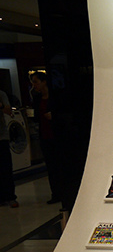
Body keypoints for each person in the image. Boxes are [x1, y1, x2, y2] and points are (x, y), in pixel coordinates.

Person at [30, 72, 63, 205]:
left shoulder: (56, 96)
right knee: (50, 166)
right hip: (45, 136)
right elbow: (36, 116)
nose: (34, 85)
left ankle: (64, 192)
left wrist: (54, 116)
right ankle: (55, 193)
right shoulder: (37, 98)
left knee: (60, 165)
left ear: (44, 82)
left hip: (57, 136)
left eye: (36, 82)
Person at [0, 89, 19, 208]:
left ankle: (10, 197)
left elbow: (8, 110)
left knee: (5, 168)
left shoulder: (1, 94)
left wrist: (1, 106)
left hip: (1, 138)